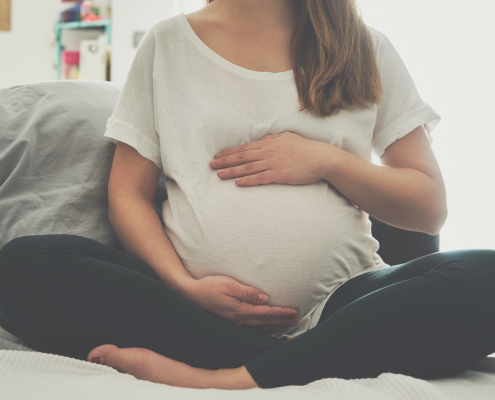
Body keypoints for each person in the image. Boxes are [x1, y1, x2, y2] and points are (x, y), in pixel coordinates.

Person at [0, 0, 494, 390]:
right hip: (189, 311)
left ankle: (226, 377)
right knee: (22, 263)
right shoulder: (168, 44)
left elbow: (429, 207)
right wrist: (182, 285)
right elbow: (127, 194)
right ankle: (314, 362)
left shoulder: (364, 48)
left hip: (337, 306)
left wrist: (325, 159)